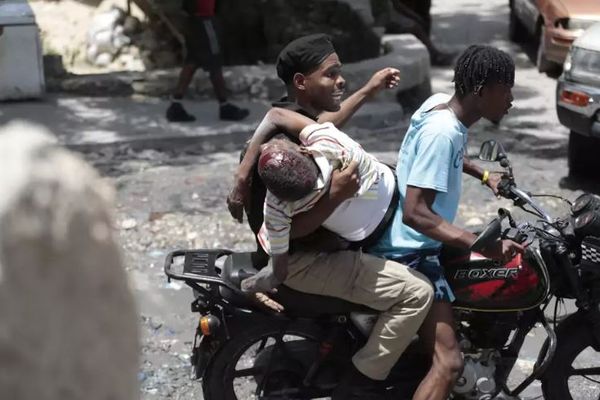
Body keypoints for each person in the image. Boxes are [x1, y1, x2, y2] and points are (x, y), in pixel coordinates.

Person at [368, 44, 525, 400]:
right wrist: (485, 244)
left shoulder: (440, 107)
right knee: (449, 363)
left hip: (408, 240)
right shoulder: (445, 132)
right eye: (506, 88)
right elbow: (416, 212)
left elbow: (443, 156)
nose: (511, 98)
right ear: (481, 90)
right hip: (410, 253)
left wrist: (484, 174)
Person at [166, 0, 249, 122]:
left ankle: (175, 104)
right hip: (204, 19)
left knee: (192, 61)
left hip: (195, 21)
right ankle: (224, 106)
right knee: (214, 62)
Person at [372, 0, 455, 66]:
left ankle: (429, 48)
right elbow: (394, 6)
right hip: (383, 15)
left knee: (422, 9)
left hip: (391, 10)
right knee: (413, 26)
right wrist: (414, 16)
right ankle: (435, 56)